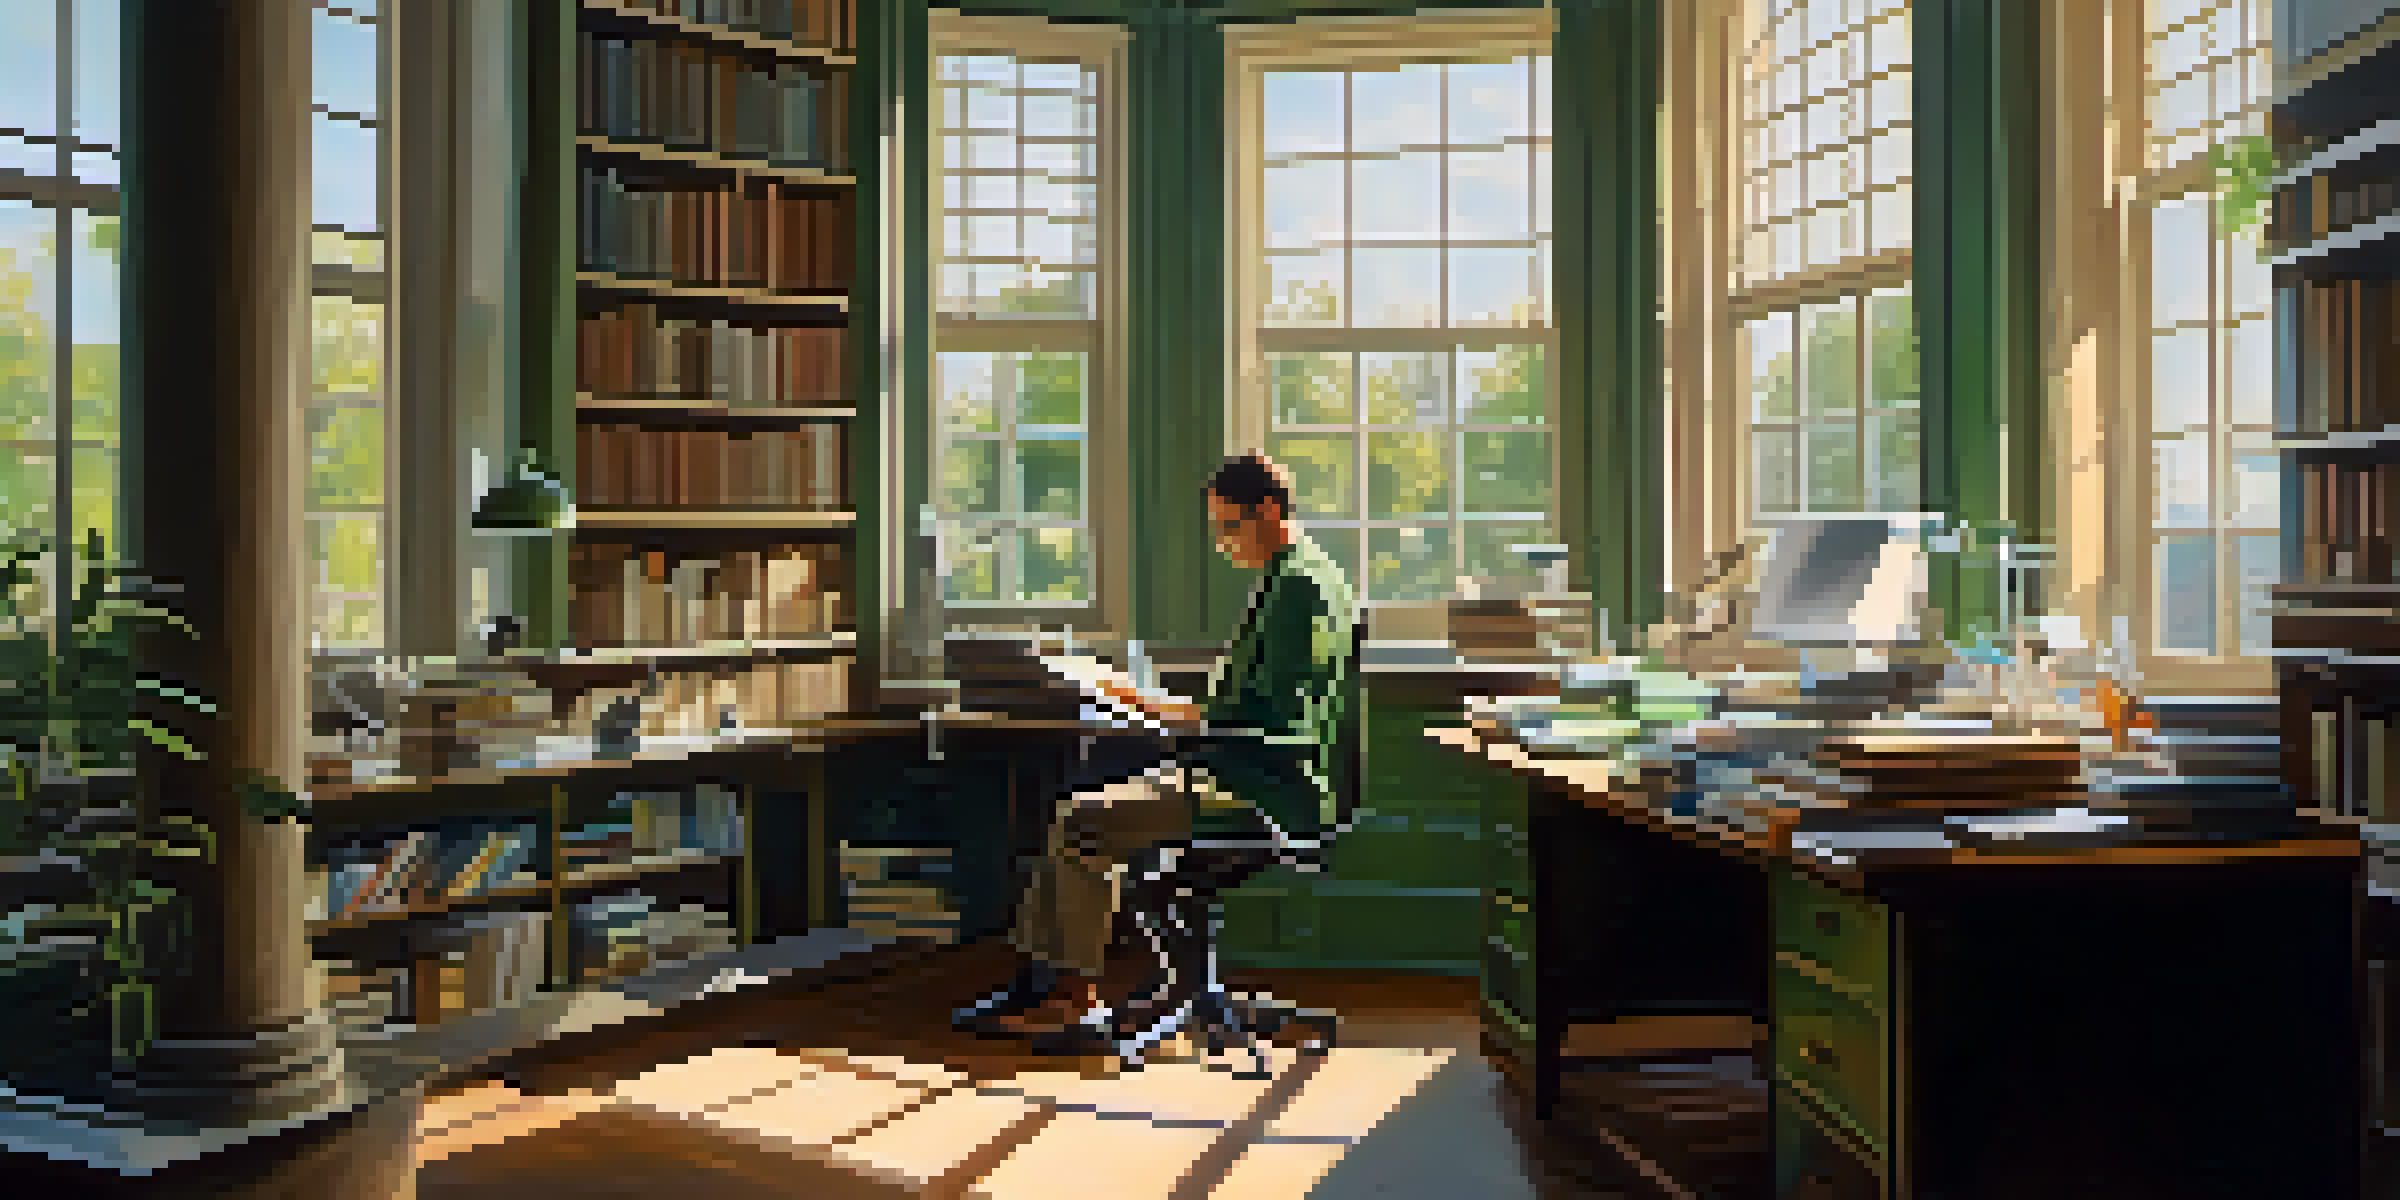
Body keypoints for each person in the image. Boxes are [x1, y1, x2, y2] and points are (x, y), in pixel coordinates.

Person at [953, 452, 1357, 1049]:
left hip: (1257, 783)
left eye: (1229, 526)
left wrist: (1148, 706)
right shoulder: (1308, 576)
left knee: (1080, 822)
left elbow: (1262, 716)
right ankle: (1050, 985)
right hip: (1267, 769)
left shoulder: (1295, 591)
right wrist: (1160, 706)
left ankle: (1065, 994)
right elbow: (1259, 705)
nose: (1221, 542)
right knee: (1088, 818)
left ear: (1269, 510)